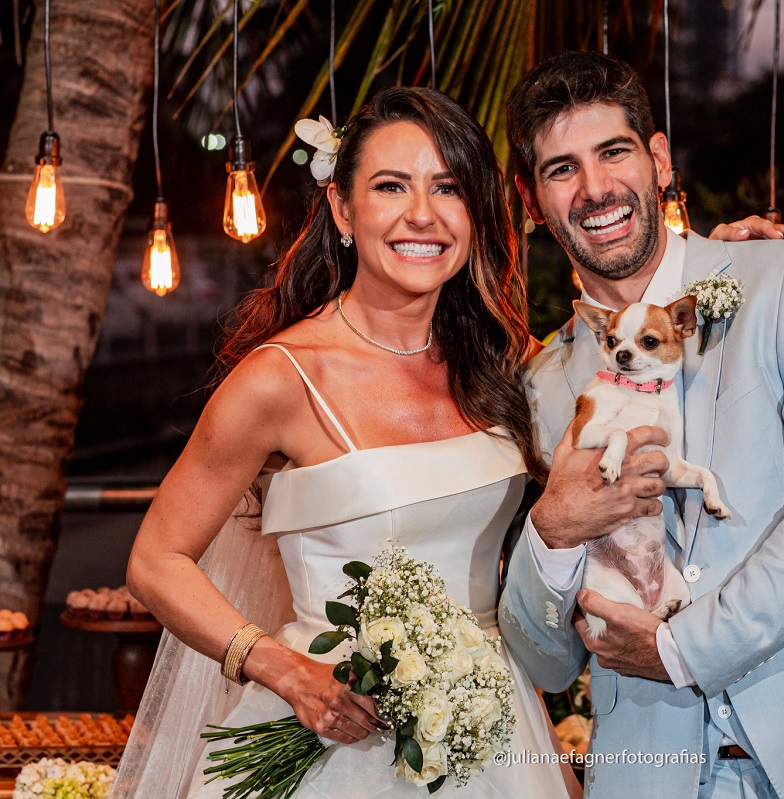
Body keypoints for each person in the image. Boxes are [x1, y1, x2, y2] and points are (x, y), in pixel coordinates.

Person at [497, 52, 784, 799]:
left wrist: (685, 647)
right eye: (561, 169)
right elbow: (546, 660)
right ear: (531, 198)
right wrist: (552, 533)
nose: (594, 189)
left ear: (658, 161)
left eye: (614, 152)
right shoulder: (542, 386)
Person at [113, 86, 580, 799]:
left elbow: (636, 359)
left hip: (496, 731)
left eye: (447, 187)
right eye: (391, 186)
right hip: (334, 738)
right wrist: (282, 667)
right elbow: (155, 559)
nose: (421, 214)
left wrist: (733, 264)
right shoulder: (281, 377)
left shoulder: (502, 361)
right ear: (341, 208)